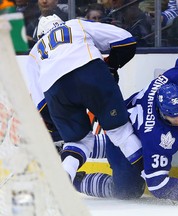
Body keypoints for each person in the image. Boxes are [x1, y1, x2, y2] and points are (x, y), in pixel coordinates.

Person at [73, 43, 178, 203]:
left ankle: (78, 149)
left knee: (113, 145)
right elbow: (158, 186)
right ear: (161, 113)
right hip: (126, 148)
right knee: (127, 191)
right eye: (172, 117)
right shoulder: (156, 137)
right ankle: (76, 181)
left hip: (126, 125)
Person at [26, 14, 142, 183]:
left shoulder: (34, 53)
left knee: (78, 142)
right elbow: (126, 39)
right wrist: (112, 64)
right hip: (90, 72)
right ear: (61, 23)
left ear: (40, 35)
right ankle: (151, 176)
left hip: (56, 90)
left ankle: (64, 177)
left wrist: (58, 127)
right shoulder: (76, 25)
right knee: (121, 133)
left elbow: (41, 104)